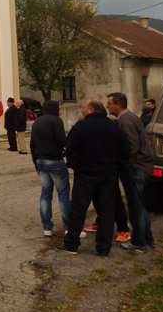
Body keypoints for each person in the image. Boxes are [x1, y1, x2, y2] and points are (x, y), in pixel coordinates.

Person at [58, 99, 129, 256]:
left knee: (78, 209)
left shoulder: (80, 127)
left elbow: (70, 148)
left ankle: (71, 244)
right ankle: (103, 248)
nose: (82, 111)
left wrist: (75, 165)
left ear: (91, 110)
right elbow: (124, 151)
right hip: (108, 175)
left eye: (83, 108)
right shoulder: (113, 127)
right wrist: (117, 168)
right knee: (106, 212)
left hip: (85, 174)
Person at [105, 92, 155, 253]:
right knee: (138, 204)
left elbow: (131, 148)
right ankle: (147, 238)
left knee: (134, 207)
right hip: (140, 166)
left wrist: (123, 165)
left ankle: (139, 242)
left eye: (109, 103)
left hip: (136, 168)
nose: (107, 106)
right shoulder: (130, 117)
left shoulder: (125, 121)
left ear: (118, 105)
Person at [30, 100, 70, 237]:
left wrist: (35, 163)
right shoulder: (56, 121)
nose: (61, 111)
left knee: (45, 194)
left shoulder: (37, 122)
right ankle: (69, 226)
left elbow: (32, 144)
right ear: (53, 109)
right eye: (59, 108)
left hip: (41, 160)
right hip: (55, 160)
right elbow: (62, 141)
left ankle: (47, 227)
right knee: (63, 193)